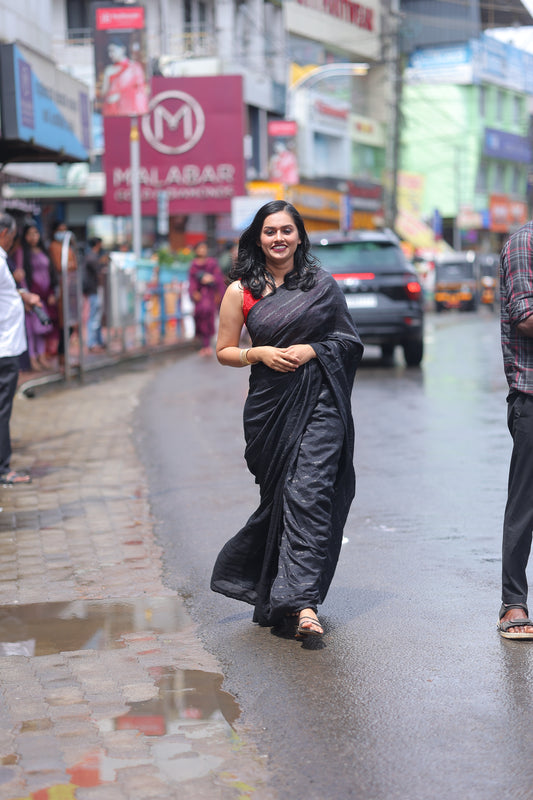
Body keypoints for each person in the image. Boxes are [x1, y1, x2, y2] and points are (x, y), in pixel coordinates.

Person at [210, 200, 364, 638]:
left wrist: (314, 349)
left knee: (309, 493)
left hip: (321, 402)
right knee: (282, 498)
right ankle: (280, 592)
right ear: (258, 238)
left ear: (299, 236)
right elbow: (224, 351)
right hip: (269, 411)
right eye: (269, 231)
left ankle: (304, 605)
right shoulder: (240, 291)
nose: (278, 238)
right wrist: (256, 353)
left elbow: (348, 340)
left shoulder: (321, 284)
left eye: (286, 231)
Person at [498, 221, 533, 640]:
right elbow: (525, 317)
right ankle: (513, 602)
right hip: (531, 396)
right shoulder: (525, 243)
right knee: (525, 506)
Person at [0, 213, 42, 485]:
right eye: (13, 238)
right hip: (4, 346)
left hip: (6, 345)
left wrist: (20, 296)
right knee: (2, 410)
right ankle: (3, 469)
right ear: (5, 233)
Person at [17, 223, 58, 371]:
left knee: (42, 328)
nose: (33, 237)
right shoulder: (22, 253)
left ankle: (41, 356)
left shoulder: (44, 251)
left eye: (36, 233)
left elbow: (52, 272)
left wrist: (52, 291)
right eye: (30, 234)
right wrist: (26, 296)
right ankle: (32, 358)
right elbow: (21, 276)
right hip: (31, 296)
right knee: (30, 330)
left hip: (44, 296)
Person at [188, 242, 226, 357]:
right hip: (200, 296)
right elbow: (192, 281)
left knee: (209, 317)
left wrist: (212, 279)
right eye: (200, 248)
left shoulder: (212, 263)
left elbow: (218, 278)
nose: (202, 250)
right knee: (199, 317)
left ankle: (207, 345)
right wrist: (193, 292)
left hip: (210, 296)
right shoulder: (194, 265)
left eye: (204, 248)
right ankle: (203, 343)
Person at [48, 221, 78, 366]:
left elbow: (75, 265)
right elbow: (61, 266)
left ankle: (65, 355)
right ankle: (62, 356)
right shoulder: (54, 247)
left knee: (71, 323)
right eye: (60, 230)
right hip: (61, 289)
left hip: (71, 289)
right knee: (63, 324)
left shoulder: (68, 248)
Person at [100, 39, 148, 116]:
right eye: (109, 52)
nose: (110, 55)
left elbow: (141, 90)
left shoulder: (134, 67)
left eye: (113, 51)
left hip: (131, 111)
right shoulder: (109, 70)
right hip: (112, 110)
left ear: (122, 49)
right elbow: (104, 93)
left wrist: (121, 96)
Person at [83, 237, 106, 353]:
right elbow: (98, 272)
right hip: (93, 291)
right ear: (97, 244)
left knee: (96, 317)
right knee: (93, 317)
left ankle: (98, 341)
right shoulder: (92, 257)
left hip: (94, 291)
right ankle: (92, 343)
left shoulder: (91, 256)